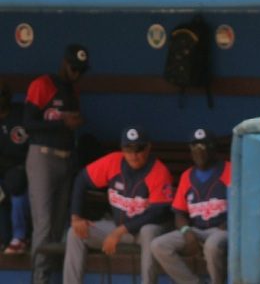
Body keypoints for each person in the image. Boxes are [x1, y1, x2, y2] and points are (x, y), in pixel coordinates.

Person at [63, 125, 174, 284]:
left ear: (148, 148)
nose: (134, 155)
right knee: (75, 233)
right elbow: (81, 180)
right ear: (122, 149)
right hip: (120, 228)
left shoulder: (158, 171)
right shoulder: (113, 161)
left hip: (151, 230)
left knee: (148, 231)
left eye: (139, 149)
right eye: (128, 150)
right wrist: (76, 217)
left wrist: (120, 231)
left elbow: (158, 213)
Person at [24, 44, 89, 283]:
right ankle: (39, 277)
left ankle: (51, 275)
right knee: (44, 222)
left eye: (81, 70)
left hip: (65, 157)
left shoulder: (73, 90)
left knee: (60, 223)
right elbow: (28, 123)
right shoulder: (42, 84)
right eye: (74, 68)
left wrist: (76, 122)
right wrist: (63, 124)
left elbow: (71, 123)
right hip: (42, 156)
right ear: (64, 62)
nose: (77, 74)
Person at [151, 128, 230, 284]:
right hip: (197, 230)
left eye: (203, 146)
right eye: (195, 147)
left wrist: (230, 223)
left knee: (212, 245)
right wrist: (186, 231)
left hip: (224, 230)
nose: (199, 151)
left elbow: (245, 206)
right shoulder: (187, 176)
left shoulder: (230, 170)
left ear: (213, 148)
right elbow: (179, 213)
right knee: (158, 245)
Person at [0, 82, 30, 254]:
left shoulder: (20, 114)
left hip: (22, 168)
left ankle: (20, 236)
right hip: (2, 172)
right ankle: (4, 237)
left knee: (16, 190)